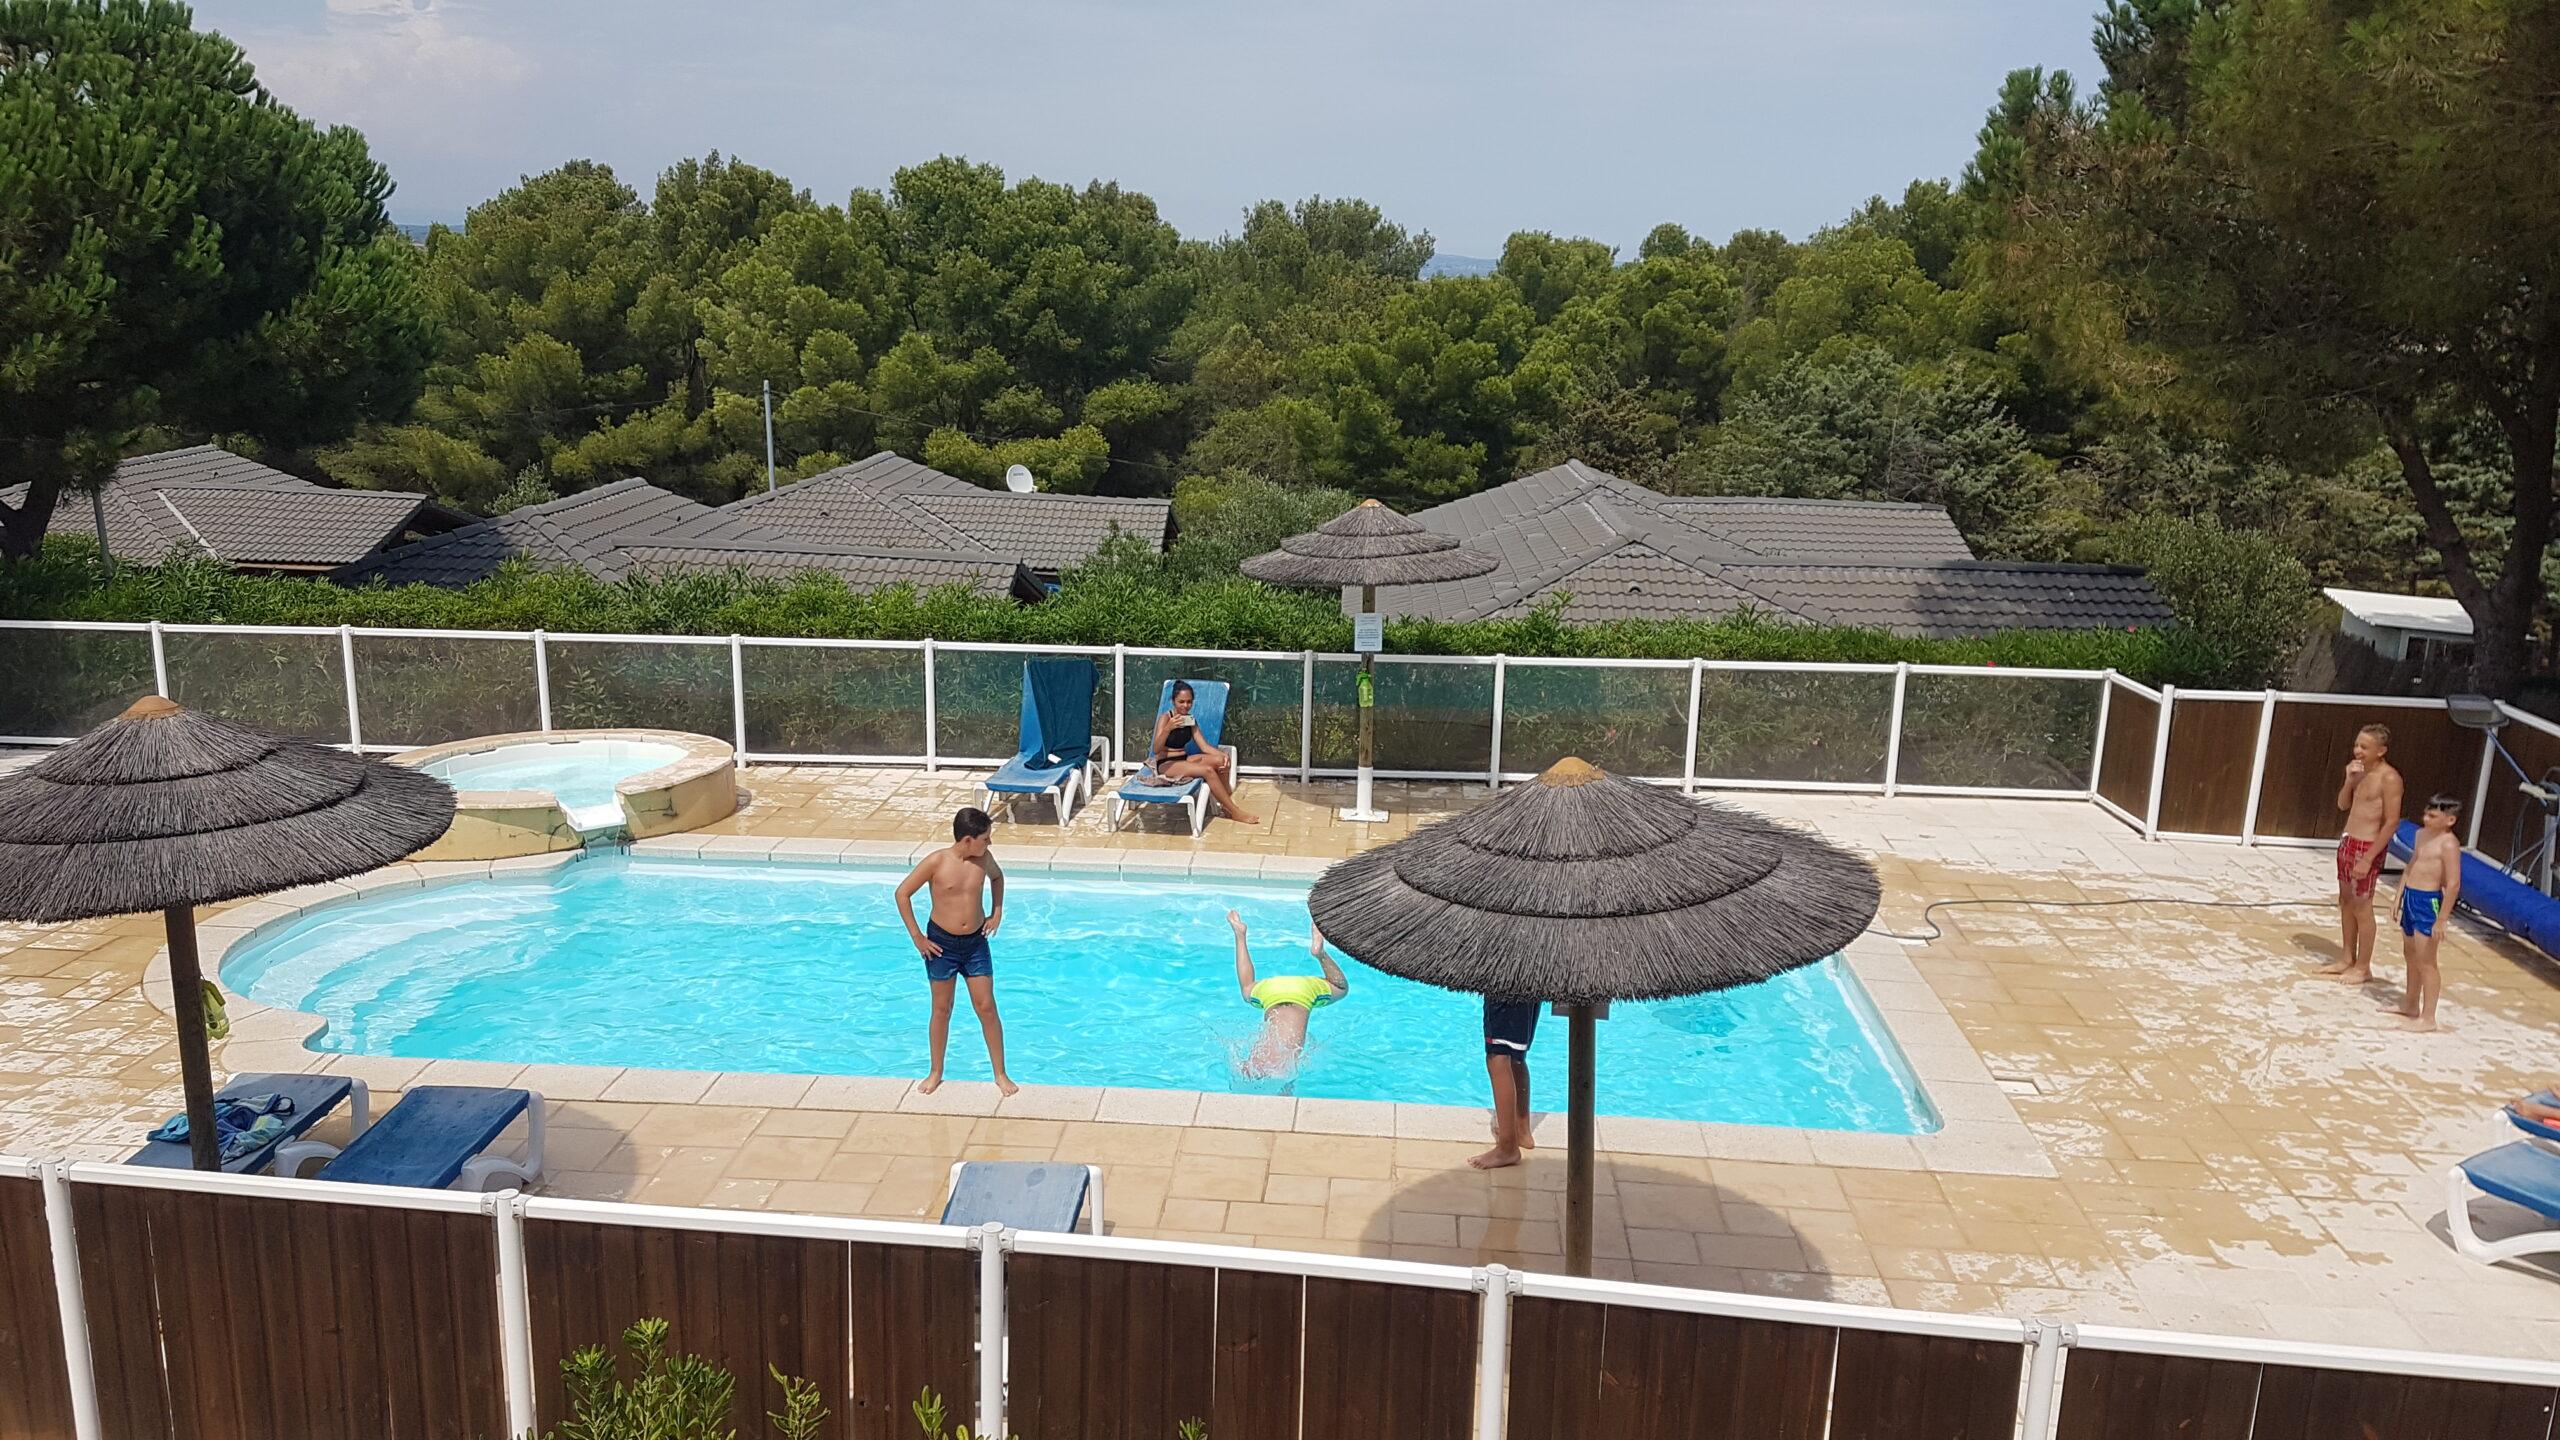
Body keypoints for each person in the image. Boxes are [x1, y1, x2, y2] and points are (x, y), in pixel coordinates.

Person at [893, 807, 1017, 1096]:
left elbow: (998, 879)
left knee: (986, 1007)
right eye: (985, 838)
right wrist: (917, 938)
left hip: (975, 943)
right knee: (942, 1009)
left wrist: (997, 911)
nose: (989, 843)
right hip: (941, 945)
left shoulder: (984, 860)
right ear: (967, 840)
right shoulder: (937, 862)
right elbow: (902, 893)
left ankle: (1000, 1073)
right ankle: (936, 1071)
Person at [2320, 722, 2403, 985]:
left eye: (2364, 747)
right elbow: (2343, 804)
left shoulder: (2390, 778)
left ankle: (2364, 966)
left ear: (2381, 751)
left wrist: (2368, 858)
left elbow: (2391, 822)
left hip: (2368, 846)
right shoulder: (2358, 772)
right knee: (2345, 901)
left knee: (2362, 906)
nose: (2358, 751)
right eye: (2357, 745)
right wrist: (2348, 780)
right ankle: (2347, 957)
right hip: (2348, 841)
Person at [1228, 909, 1348, 1078]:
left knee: (1342, 989)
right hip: (1275, 992)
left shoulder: (1280, 1070)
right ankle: (1319, 953)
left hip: (1296, 993)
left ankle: (1240, 935)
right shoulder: (1272, 1067)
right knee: (1247, 989)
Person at [2393, 795, 2463, 1031]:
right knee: (2410, 954)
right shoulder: (2421, 835)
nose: (2425, 819)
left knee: (2427, 961)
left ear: (2450, 819)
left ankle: (2429, 1017)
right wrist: (2398, 895)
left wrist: (2442, 919)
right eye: (2425, 814)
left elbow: (2453, 883)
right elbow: (2413, 863)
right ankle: (2410, 1004)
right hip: (2411, 897)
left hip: (2429, 902)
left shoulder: (2449, 844)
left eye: (2432, 816)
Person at [1150, 680, 1259, 825]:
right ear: (1173, 701)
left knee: (1221, 761)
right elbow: (1156, 749)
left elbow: (1204, 746)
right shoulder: (1165, 718)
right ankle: (1234, 810)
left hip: (1184, 759)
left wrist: (1223, 755)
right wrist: (1168, 728)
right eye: (1181, 702)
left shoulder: (1190, 720)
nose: (1185, 706)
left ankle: (1227, 805)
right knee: (1207, 770)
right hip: (1166, 764)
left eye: (1189, 702)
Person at [1472, 996, 1541, 1170]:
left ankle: (1507, 1148)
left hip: (1506, 983)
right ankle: (1521, 1131)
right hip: (1530, 979)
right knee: (1515, 1053)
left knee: (1498, 1055)